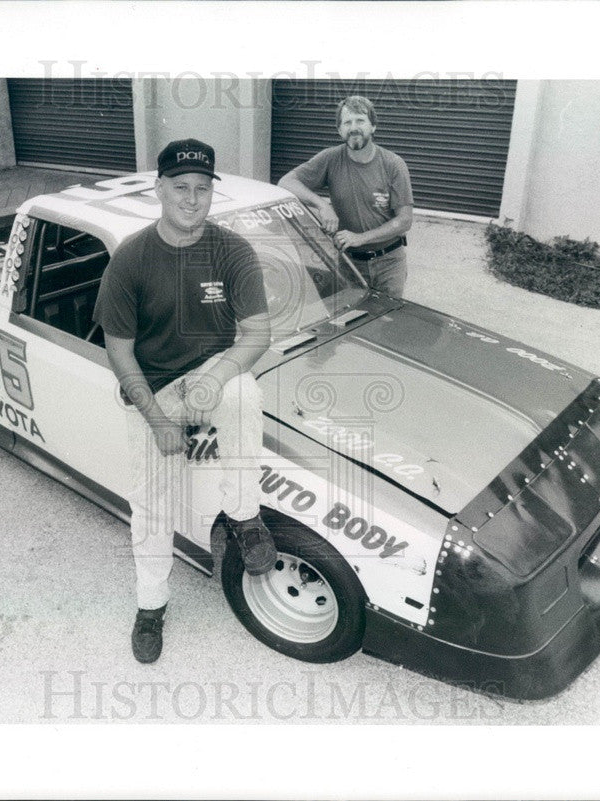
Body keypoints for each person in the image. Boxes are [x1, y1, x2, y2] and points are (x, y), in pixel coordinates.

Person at [92, 138, 276, 664]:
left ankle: (244, 516)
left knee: (242, 389)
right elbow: (119, 354)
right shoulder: (130, 259)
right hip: (152, 390)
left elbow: (258, 333)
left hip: (206, 378)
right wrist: (157, 421)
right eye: (180, 188)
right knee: (152, 505)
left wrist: (216, 377)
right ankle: (151, 607)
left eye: (201, 189)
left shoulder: (233, 251)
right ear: (159, 190)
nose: (192, 199)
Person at [278, 95, 414, 298]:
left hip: (389, 263)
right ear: (339, 130)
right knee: (351, 321)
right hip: (350, 263)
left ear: (373, 126)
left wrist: (361, 238)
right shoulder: (330, 158)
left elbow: (404, 220)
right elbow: (286, 182)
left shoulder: (393, 164)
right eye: (347, 122)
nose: (354, 127)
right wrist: (322, 205)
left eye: (360, 120)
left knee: (388, 322)